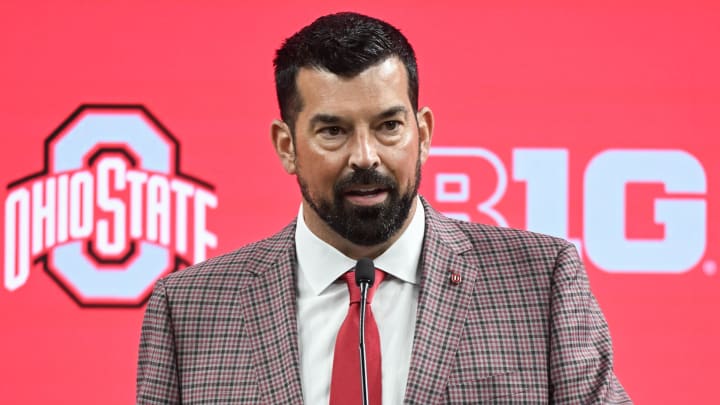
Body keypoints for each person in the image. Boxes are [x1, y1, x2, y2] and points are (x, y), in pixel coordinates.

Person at [137, 12, 631, 404]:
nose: (366, 156)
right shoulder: (188, 309)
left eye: (389, 126)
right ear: (286, 145)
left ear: (425, 132)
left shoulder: (539, 282)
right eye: (333, 131)